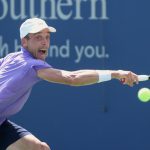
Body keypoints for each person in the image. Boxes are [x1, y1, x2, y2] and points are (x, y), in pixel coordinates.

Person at [0, 18, 138, 150]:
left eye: (47, 37)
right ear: (25, 42)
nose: (45, 42)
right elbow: (72, 78)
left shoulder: (12, 57)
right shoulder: (30, 65)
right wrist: (115, 73)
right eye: (38, 37)